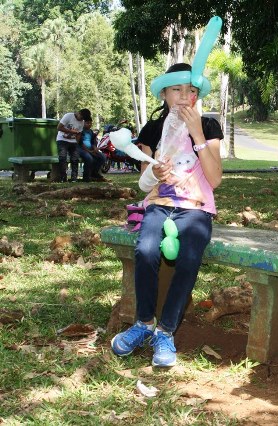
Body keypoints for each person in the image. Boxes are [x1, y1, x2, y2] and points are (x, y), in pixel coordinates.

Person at [110, 62, 223, 367]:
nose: (185, 96)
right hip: (159, 203)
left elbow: (214, 179)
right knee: (146, 250)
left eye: (192, 90)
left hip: (196, 208)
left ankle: (166, 331)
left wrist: (197, 134)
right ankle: (144, 323)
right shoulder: (153, 129)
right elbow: (143, 182)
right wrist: (155, 174)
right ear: (163, 94)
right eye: (177, 89)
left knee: (189, 258)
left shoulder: (208, 126)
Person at [56, 108, 92, 182]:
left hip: (73, 142)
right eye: (81, 118)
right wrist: (71, 131)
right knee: (62, 158)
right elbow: (59, 127)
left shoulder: (82, 122)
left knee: (75, 159)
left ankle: (74, 178)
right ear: (79, 113)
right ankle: (63, 177)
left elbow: (79, 133)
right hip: (62, 140)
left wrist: (76, 142)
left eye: (83, 119)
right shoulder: (68, 116)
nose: (81, 120)